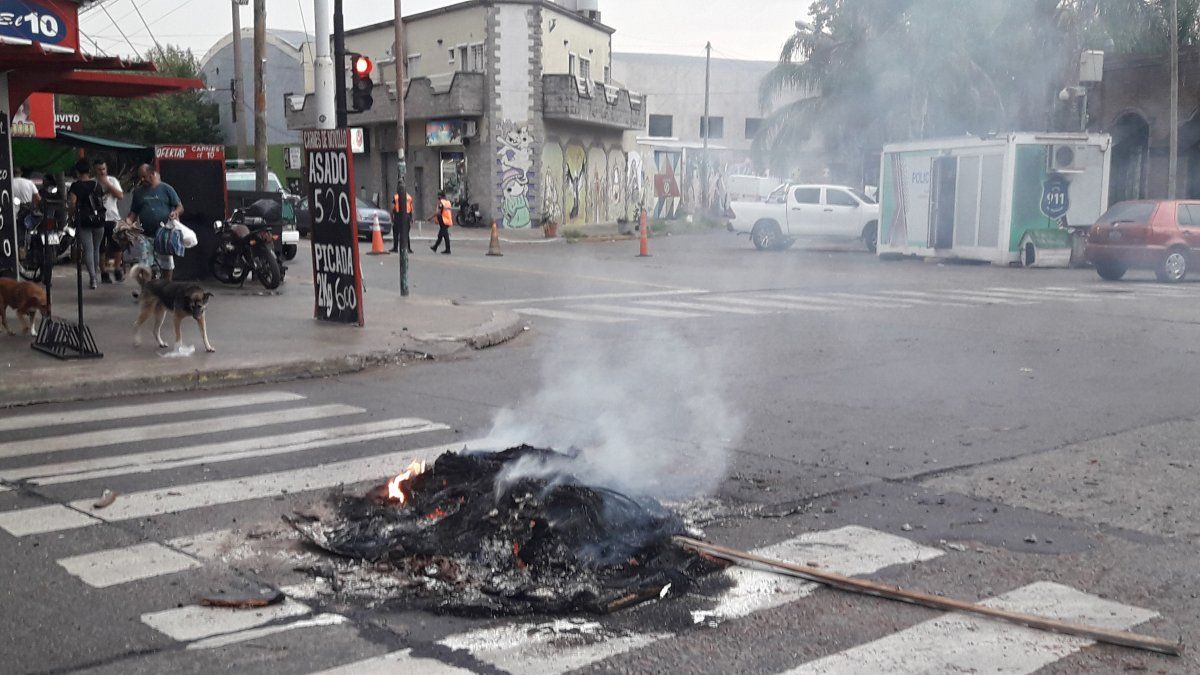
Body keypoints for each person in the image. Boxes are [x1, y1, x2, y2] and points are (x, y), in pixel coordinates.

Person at [126, 164, 182, 281]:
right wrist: (128, 222)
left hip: (164, 235)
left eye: (144, 176)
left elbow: (179, 206)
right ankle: (148, 290)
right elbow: (134, 212)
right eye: (140, 177)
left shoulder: (166, 189)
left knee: (166, 264)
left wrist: (175, 213)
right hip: (146, 235)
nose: (142, 180)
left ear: (152, 174)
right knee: (145, 265)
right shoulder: (138, 192)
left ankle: (167, 287)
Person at [67, 159, 106, 289]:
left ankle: (93, 279)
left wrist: (71, 217)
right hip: (99, 220)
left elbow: (72, 203)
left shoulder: (75, 186)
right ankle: (95, 275)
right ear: (89, 171)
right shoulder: (97, 185)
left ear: (77, 172)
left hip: (83, 221)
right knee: (96, 248)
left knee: (88, 250)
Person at [93, 159, 124, 283]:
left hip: (112, 217)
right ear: (95, 170)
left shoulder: (112, 180)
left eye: (104, 169)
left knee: (117, 245)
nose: (102, 172)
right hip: (98, 218)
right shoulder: (93, 182)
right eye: (99, 169)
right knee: (101, 247)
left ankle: (117, 269)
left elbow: (120, 196)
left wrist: (108, 185)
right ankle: (104, 272)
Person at [430, 191, 453, 255]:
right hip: (448, 220)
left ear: (441, 196)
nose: (437, 197)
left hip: (443, 221)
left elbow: (439, 212)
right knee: (440, 235)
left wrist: (431, 217)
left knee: (445, 236)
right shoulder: (448, 202)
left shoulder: (441, 203)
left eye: (438, 195)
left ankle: (448, 250)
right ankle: (435, 247)